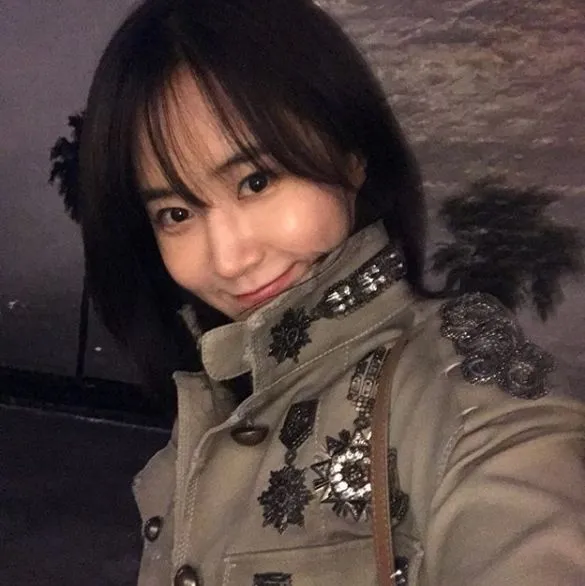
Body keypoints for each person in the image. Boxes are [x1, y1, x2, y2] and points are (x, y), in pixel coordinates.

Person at [78, 0, 585, 584]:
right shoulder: (216, 392)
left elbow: (521, 505)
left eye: (256, 181)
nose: (229, 259)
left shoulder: (455, 381)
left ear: (351, 154)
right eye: (176, 213)